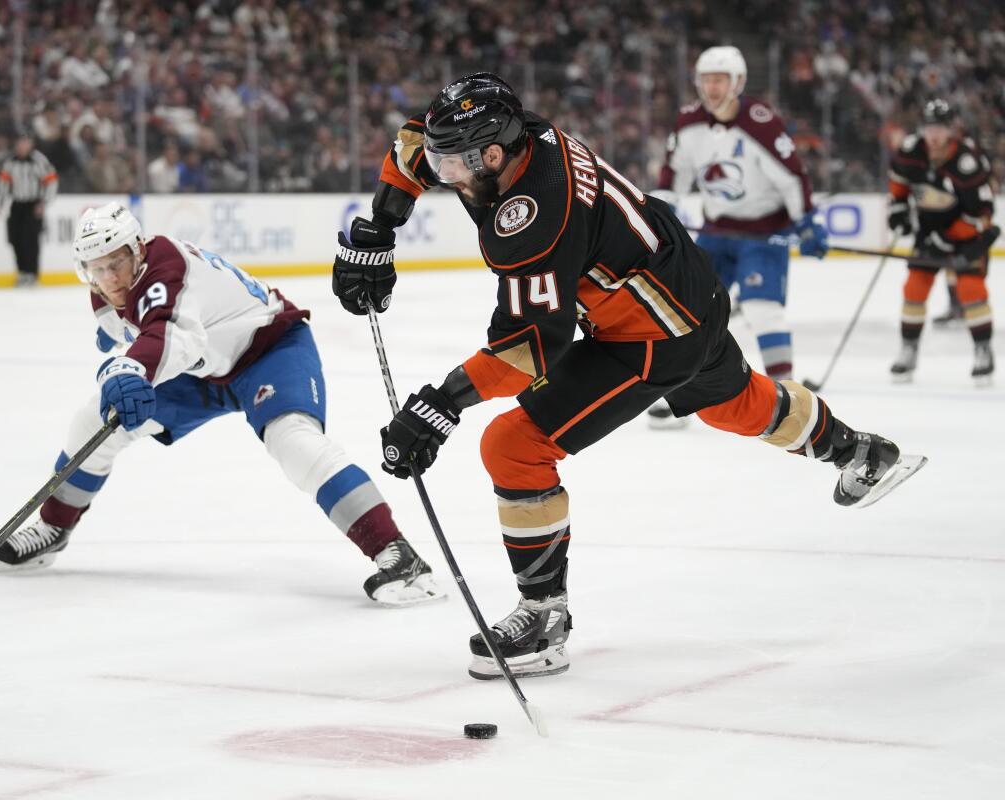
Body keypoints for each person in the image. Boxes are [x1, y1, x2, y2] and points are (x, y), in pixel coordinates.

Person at [332, 73, 925, 679]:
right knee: (734, 402)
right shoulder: (513, 141)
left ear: (491, 155)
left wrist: (441, 405)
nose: (441, 173)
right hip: (681, 279)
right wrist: (381, 227)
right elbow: (411, 146)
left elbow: (528, 350)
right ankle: (858, 451)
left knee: (513, 444)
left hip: (654, 330)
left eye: (454, 164)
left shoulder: (533, 214)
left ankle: (543, 614)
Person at [0, 202, 445, 609]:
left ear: (138, 249)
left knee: (295, 443)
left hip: (269, 350)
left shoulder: (165, 270)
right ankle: (53, 528)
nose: (109, 278)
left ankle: (397, 553)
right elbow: (141, 333)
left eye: (117, 262)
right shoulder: (108, 291)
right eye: (97, 269)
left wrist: (125, 369)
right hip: (204, 371)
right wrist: (123, 353)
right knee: (94, 421)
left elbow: (172, 340)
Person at [647, 46, 829, 428]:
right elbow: (674, 173)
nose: (712, 88)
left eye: (720, 79)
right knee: (687, 308)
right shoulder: (688, 122)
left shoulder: (761, 122)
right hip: (716, 230)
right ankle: (682, 391)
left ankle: (787, 393)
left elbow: (792, 176)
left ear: (738, 83)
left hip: (763, 232)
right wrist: (663, 211)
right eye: (706, 80)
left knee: (763, 310)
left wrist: (806, 221)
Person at [886, 98, 996, 386]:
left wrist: (945, 240)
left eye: (940, 128)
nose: (933, 135)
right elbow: (898, 180)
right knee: (914, 288)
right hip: (928, 231)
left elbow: (980, 214)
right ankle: (908, 349)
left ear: (952, 130)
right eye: (928, 127)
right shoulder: (911, 151)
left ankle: (983, 350)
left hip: (967, 238)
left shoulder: (967, 161)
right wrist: (898, 210)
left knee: (971, 291)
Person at [0, 134, 57, 287]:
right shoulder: (10, 162)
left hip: (33, 204)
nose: (21, 146)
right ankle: (22, 272)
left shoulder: (39, 160)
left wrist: (44, 202)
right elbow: (3, 182)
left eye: (25, 143)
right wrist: (2, 201)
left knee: (31, 240)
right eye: (19, 143)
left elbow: (51, 181)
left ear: (30, 144)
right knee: (16, 239)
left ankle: (32, 273)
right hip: (16, 204)